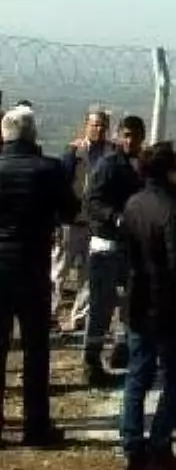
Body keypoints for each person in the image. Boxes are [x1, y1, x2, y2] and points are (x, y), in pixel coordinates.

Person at [119, 140, 176, 470]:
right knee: (175, 379)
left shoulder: (134, 203)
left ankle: (132, 445)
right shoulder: (171, 209)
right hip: (168, 307)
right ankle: (160, 446)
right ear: (169, 171)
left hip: (138, 300)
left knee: (137, 375)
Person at [0, 106, 79, 447]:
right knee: (35, 350)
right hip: (32, 267)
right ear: (32, 135)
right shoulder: (48, 170)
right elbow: (70, 211)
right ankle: (36, 426)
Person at [83, 113, 145, 387]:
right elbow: (92, 202)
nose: (131, 140)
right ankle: (91, 361)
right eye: (127, 135)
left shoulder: (141, 166)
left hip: (132, 246)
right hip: (107, 244)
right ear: (119, 136)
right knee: (101, 305)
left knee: (129, 303)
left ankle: (122, 350)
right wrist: (115, 216)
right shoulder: (108, 165)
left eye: (136, 135)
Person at [54, 104, 112, 330]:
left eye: (102, 125)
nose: (98, 129)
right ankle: (51, 314)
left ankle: (79, 317)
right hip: (71, 221)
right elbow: (61, 185)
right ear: (85, 126)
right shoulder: (74, 152)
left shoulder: (110, 154)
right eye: (94, 124)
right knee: (59, 271)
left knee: (88, 275)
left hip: (95, 223)